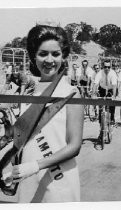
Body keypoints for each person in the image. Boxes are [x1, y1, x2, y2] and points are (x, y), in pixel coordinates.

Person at [2, 24, 84, 203]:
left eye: (55, 54)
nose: (49, 60)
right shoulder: (29, 92)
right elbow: (23, 139)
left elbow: (75, 145)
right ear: (33, 56)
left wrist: (34, 166)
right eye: (43, 53)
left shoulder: (70, 92)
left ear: (63, 56)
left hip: (58, 178)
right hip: (28, 178)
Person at [93, 59, 117, 125]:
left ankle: (112, 118)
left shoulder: (113, 73)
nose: (107, 68)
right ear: (103, 67)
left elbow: (114, 86)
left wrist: (114, 96)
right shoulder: (99, 73)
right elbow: (95, 84)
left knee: (112, 104)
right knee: (101, 108)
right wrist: (93, 94)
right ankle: (101, 128)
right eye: (105, 67)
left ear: (110, 67)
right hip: (102, 89)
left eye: (108, 67)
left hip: (110, 89)